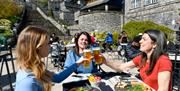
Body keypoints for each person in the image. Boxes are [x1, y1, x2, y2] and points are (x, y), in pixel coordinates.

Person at [15, 26, 86, 91]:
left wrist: (78, 63)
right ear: (38, 47)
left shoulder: (35, 67)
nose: (51, 46)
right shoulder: (27, 81)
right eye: (48, 43)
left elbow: (58, 78)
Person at [104, 29, 172, 91]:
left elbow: (163, 89)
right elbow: (121, 67)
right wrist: (104, 61)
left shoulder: (163, 61)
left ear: (154, 44)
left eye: (144, 39)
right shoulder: (142, 57)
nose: (140, 41)